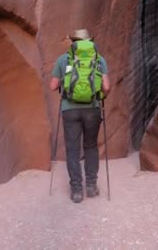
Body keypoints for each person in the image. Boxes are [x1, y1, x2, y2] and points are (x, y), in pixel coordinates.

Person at [49, 29, 110, 203]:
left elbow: (53, 86)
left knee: (73, 150)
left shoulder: (63, 59)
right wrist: (100, 96)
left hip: (70, 110)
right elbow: (106, 86)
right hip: (92, 109)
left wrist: (65, 82)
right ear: (89, 41)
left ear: (73, 42)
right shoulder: (99, 59)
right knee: (91, 146)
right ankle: (91, 186)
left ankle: (76, 190)